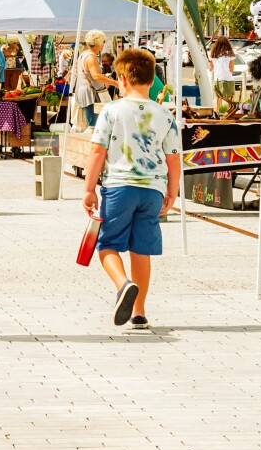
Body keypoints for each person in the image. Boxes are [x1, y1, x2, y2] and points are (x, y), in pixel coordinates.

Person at [81, 47, 181, 330]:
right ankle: (139, 312)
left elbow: (97, 151)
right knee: (142, 250)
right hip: (153, 191)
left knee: (108, 244)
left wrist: (89, 188)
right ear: (152, 81)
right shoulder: (165, 114)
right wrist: (171, 192)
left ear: (122, 79)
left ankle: (123, 284)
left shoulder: (112, 111)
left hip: (119, 187)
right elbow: (174, 159)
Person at [70, 30, 119, 129]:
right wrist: (115, 83)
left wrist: (104, 79)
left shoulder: (84, 54)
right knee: (94, 126)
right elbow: (96, 76)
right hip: (90, 93)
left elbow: (91, 75)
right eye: (103, 41)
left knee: (93, 124)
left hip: (85, 91)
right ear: (99, 44)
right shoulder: (91, 57)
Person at [209, 36, 237, 105]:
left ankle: (216, 115)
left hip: (216, 80)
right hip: (227, 79)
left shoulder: (213, 54)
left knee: (217, 101)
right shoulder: (229, 53)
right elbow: (231, 68)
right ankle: (230, 115)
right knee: (230, 101)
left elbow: (211, 68)